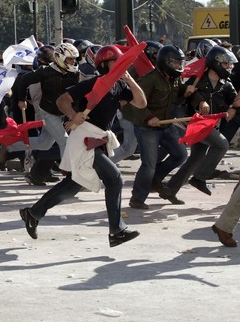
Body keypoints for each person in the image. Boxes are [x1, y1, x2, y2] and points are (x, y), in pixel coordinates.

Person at [19, 45, 147, 247]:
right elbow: (63, 101)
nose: (122, 66)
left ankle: (33, 213)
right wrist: (73, 115)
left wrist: (129, 80)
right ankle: (117, 230)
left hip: (99, 139)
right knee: (114, 179)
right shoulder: (94, 83)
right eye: (117, 62)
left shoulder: (120, 86)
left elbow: (141, 103)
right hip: (84, 139)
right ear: (104, 64)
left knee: (73, 185)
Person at [160, 46, 238, 203]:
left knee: (195, 158)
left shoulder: (227, 85)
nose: (229, 67)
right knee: (222, 144)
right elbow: (180, 99)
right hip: (194, 123)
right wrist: (191, 95)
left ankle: (169, 190)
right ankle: (200, 177)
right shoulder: (197, 80)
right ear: (215, 63)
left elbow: (235, 102)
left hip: (210, 126)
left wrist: (234, 108)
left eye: (230, 64)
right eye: (226, 64)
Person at [128, 46, 188, 210]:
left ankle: (155, 180)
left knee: (180, 154)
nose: (178, 66)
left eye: (180, 62)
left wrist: (195, 96)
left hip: (166, 125)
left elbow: (183, 92)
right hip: (146, 128)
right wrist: (149, 117)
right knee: (149, 164)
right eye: (175, 62)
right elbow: (134, 102)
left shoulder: (175, 79)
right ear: (165, 62)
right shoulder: (149, 79)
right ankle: (137, 198)